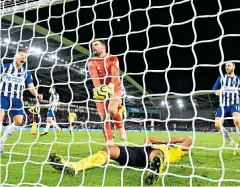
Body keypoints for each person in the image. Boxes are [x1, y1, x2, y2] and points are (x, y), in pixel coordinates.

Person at [48, 135, 192, 185]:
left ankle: (156, 168)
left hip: (157, 154)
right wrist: (168, 141)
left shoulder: (176, 153)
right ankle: (75, 167)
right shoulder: (163, 144)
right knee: (109, 149)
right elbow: (149, 139)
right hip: (138, 151)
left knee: (157, 153)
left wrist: (177, 142)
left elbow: (189, 140)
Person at [0, 48, 43, 153]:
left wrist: (37, 94)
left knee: (19, 121)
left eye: (25, 57)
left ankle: (2, 141)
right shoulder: (4, 67)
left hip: (17, 99)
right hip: (3, 96)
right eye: (21, 55)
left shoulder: (26, 73)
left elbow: (31, 87)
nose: (23, 58)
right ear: (16, 56)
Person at [88, 40, 127, 145]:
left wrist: (111, 86)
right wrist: (100, 90)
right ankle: (110, 144)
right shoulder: (91, 62)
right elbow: (95, 78)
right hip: (101, 90)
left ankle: (121, 130)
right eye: (92, 45)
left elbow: (115, 73)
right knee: (104, 118)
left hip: (115, 88)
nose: (93, 47)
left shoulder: (112, 58)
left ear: (103, 47)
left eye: (96, 45)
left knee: (112, 110)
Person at [212, 61, 240, 155]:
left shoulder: (238, 79)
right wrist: (217, 92)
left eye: (229, 65)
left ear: (233, 67)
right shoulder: (221, 78)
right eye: (225, 66)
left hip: (234, 103)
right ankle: (234, 144)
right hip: (223, 105)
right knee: (217, 125)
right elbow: (214, 89)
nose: (226, 67)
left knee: (237, 121)